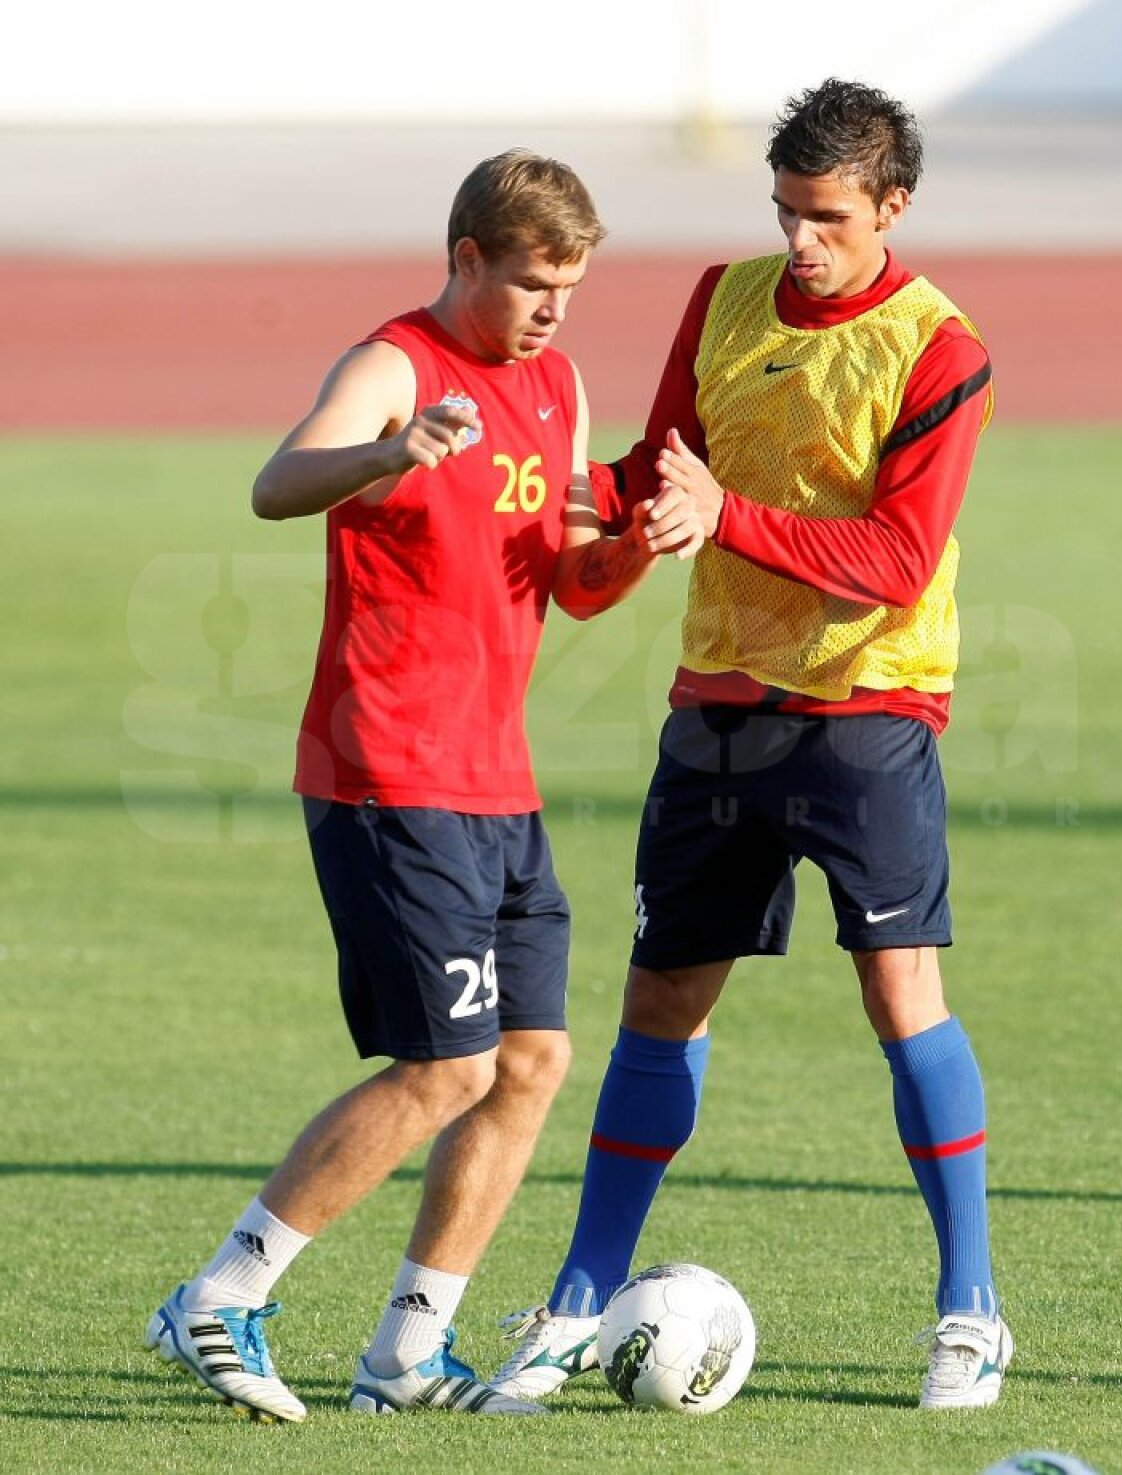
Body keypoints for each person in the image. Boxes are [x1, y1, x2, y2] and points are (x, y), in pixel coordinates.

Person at [144, 149, 703, 1423]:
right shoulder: (396, 361)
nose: (554, 306)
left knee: (531, 1060)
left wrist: (635, 545)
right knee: (446, 1064)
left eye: (571, 282)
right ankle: (219, 1296)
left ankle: (407, 1350)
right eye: (531, 281)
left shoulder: (556, 383)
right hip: (388, 770)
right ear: (466, 261)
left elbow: (566, 578)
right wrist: (389, 451)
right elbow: (275, 484)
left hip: (496, 782)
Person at [490, 80, 1013, 1411]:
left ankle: (970, 1308)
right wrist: (522, 478)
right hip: (718, 706)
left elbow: (896, 560)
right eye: (784, 211)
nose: (799, 241)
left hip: (867, 706)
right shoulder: (726, 298)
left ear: (892, 205)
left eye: (827, 217)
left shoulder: (940, 349)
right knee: (660, 1001)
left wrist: (719, 514)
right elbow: (662, 464)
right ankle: (575, 1299)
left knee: (901, 995)